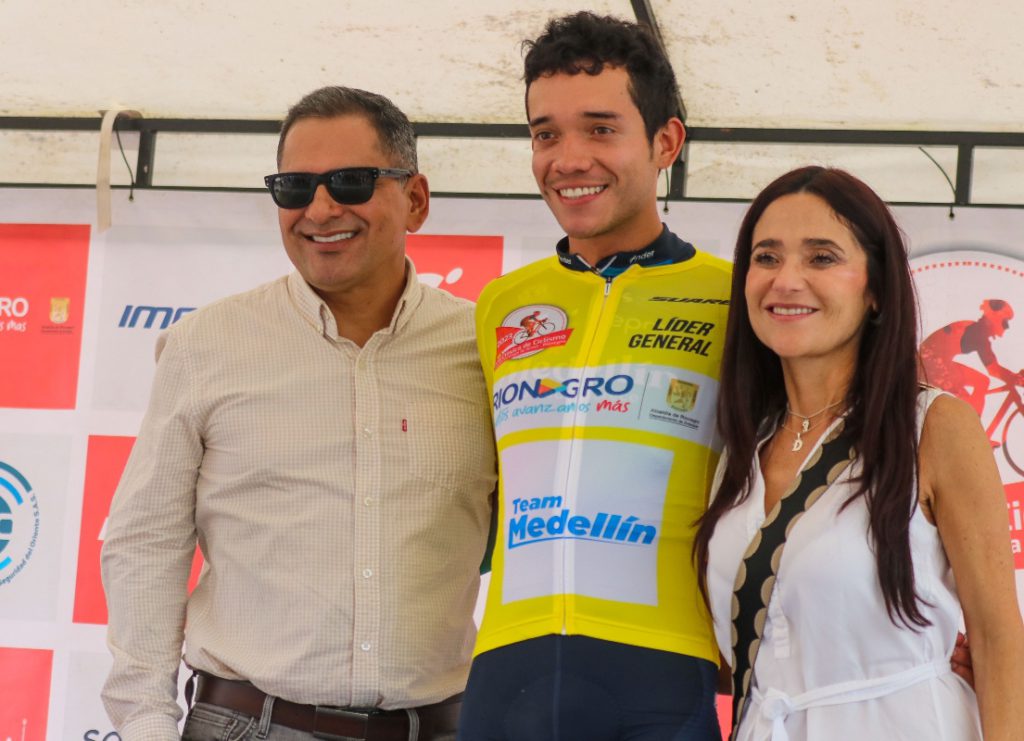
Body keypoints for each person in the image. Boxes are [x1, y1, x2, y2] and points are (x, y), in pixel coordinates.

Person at [101, 86, 497, 741]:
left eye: (350, 182)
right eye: (295, 187)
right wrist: (145, 720)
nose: (320, 208)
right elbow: (145, 540)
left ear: (416, 199)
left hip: (440, 724)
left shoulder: (487, 349)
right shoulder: (207, 345)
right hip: (244, 724)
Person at [459, 13, 731, 740]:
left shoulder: (734, 297)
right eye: (546, 134)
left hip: (661, 673)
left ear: (666, 142)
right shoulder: (502, 303)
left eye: (601, 129)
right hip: (506, 673)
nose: (568, 158)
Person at [696, 166, 1024, 741]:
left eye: (821, 257)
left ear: (875, 290)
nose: (786, 280)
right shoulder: (743, 447)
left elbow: (998, 637)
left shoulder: (933, 425)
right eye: (766, 257)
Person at [919, 299, 1023, 426]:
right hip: (933, 363)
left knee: (971, 396)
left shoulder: (976, 329)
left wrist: (1013, 377)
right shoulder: (979, 333)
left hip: (932, 361)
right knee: (981, 383)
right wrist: (1015, 379)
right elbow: (993, 369)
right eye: (1005, 323)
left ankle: (969, 425)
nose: (1006, 327)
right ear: (996, 318)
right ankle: (973, 428)